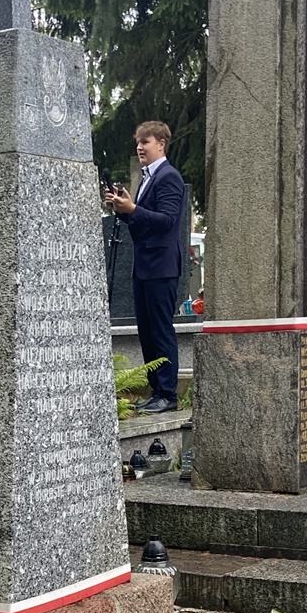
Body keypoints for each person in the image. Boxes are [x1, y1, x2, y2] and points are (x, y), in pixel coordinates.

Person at [106, 121, 186, 414]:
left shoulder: (168, 177)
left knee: (161, 331)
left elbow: (167, 221)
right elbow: (143, 222)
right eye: (138, 142)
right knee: (147, 332)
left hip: (161, 268)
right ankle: (156, 391)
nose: (140, 147)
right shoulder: (147, 178)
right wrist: (123, 211)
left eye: (146, 142)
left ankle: (168, 394)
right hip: (144, 267)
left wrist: (134, 209)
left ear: (161, 144)